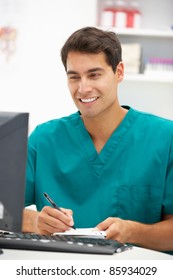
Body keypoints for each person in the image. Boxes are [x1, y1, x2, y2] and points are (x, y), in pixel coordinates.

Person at [23, 26, 173, 254]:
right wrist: (35, 222)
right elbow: (5, 211)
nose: (83, 88)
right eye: (74, 77)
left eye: (94, 74)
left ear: (119, 72)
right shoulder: (43, 139)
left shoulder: (165, 138)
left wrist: (133, 231)